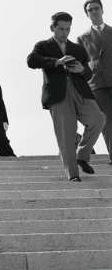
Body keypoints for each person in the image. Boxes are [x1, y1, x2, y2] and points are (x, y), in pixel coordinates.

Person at [27, 11, 105, 181]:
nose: (65, 33)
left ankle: (82, 155)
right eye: (61, 29)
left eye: (68, 29)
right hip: (58, 94)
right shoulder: (43, 46)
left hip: (81, 92)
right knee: (66, 134)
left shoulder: (77, 49)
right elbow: (31, 61)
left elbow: (88, 73)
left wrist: (81, 70)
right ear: (52, 28)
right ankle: (73, 174)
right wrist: (57, 62)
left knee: (98, 119)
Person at [77, 0, 112, 165]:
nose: (94, 11)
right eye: (90, 10)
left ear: (102, 10)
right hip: (97, 84)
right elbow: (81, 64)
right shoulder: (82, 38)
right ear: (87, 14)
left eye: (96, 8)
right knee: (107, 121)